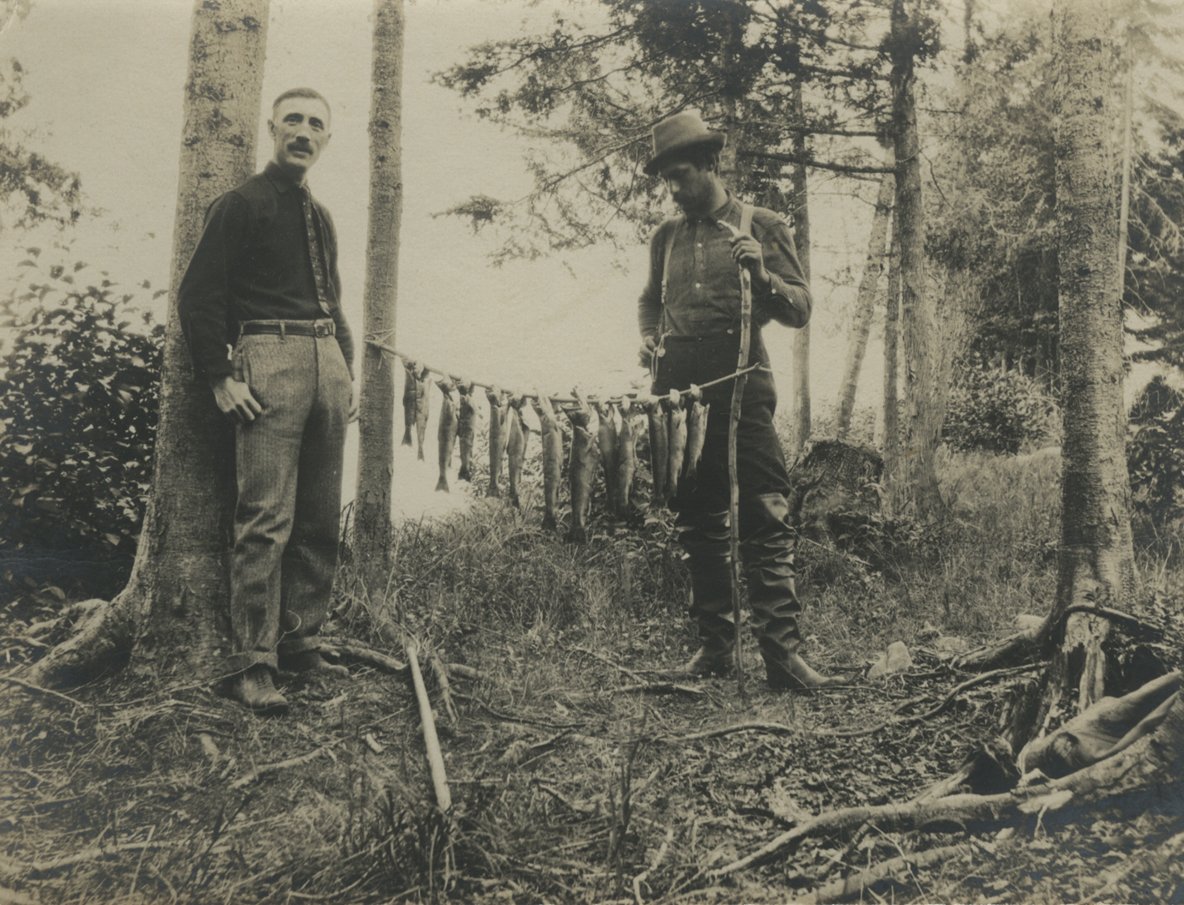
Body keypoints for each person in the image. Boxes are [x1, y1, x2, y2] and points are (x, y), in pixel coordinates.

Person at [637, 110, 840, 690]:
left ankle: (783, 655)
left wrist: (763, 277)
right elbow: (650, 302)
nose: (673, 190)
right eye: (666, 181)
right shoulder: (666, 237)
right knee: (700, 521)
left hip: (745, 391)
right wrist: (649, 338)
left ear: (709, 164)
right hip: (680, 398)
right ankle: (716, 649)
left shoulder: (762, 224)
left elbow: (799, 309)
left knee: (765, 514)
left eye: (680, 176)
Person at [179, 87, 355, 713]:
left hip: (325, 360)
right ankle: (254, 664)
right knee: (265, 519)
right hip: (268, 358)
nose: (303, 132)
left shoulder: (320, 214)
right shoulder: (242, 204)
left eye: (316, 123)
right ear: (272, 129)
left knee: (318, 516)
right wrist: (222, 377)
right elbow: (199, 296)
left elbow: (333, 300)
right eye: (293, 122)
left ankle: (301, 641)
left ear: (326, 139)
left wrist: (346, 372)